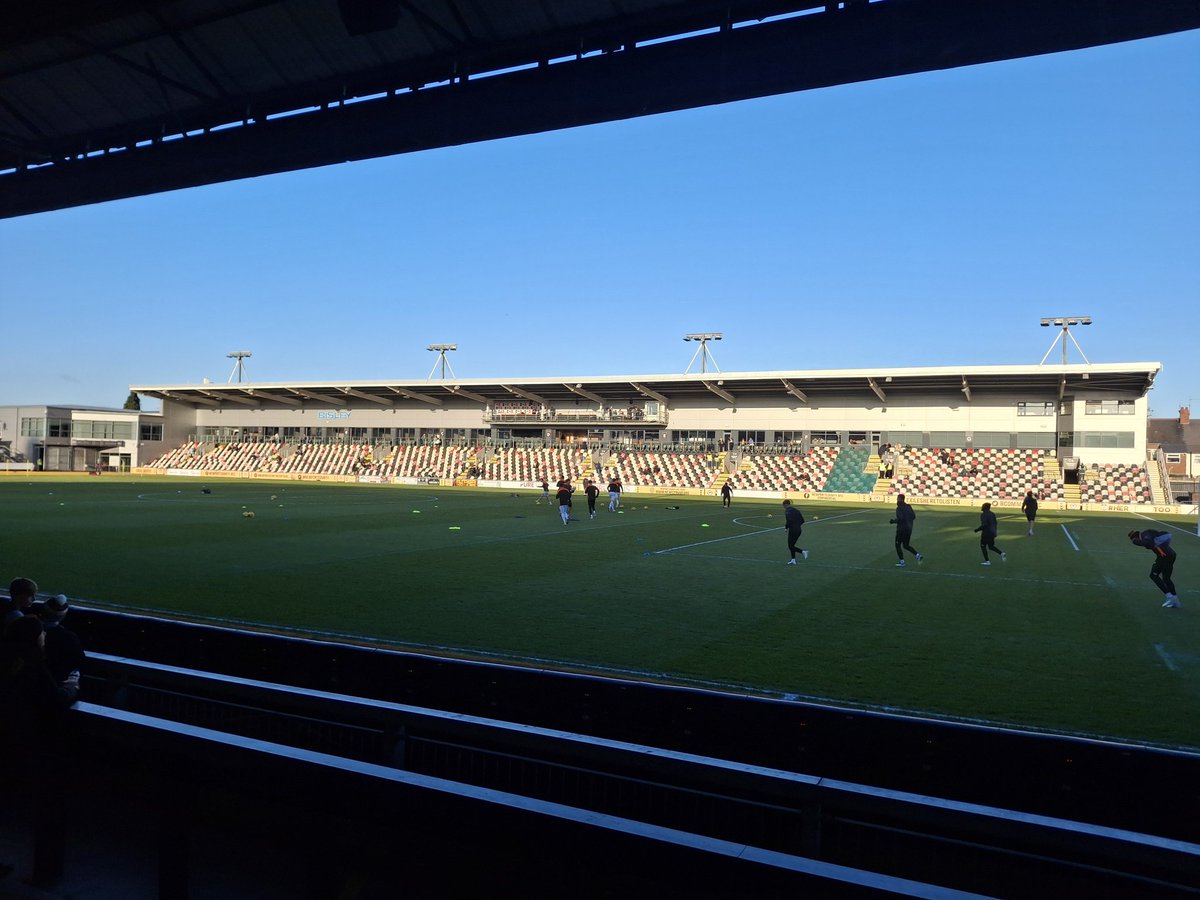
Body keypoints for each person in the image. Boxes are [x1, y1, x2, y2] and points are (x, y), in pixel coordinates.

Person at [36, 595, 85, 687]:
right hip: (57, 685)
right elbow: (79, 661)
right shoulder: (69, 637)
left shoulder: (28, 629)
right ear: (63, 616)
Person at [1128, 529, 1180, 608]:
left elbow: (1149, 542)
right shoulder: (1147, 535)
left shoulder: (1145, 536)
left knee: (1158, 576)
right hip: (1167, 556)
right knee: (1163, 578)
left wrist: (1137, 542)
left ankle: (1170, 597)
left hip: (1165, 557)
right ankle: (1174, 600)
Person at [889, 494, 923, 567]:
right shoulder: (908, 506)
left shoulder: (899, 508)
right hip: (909, 529)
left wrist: (893, 521)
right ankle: (918, 555)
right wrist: (908, 521)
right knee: (906, 545)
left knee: (897, 545)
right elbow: (913, 516)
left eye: (897, 498)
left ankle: (902, 562)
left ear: (900, 499)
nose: (897, 500)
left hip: (901, 530)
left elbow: (900, 519)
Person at [782, 499, 808, 565]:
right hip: (799, 530)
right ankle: (793, 560)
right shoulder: (796, 510)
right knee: (792, 545)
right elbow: (802, 520)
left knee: (790, 546)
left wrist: (786, 528)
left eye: (784, 506)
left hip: (793, 530)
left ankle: (803, 552)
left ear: (786, 505)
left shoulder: (787, 511)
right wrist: (797, 525)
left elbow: (788, 520)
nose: (784, 507)